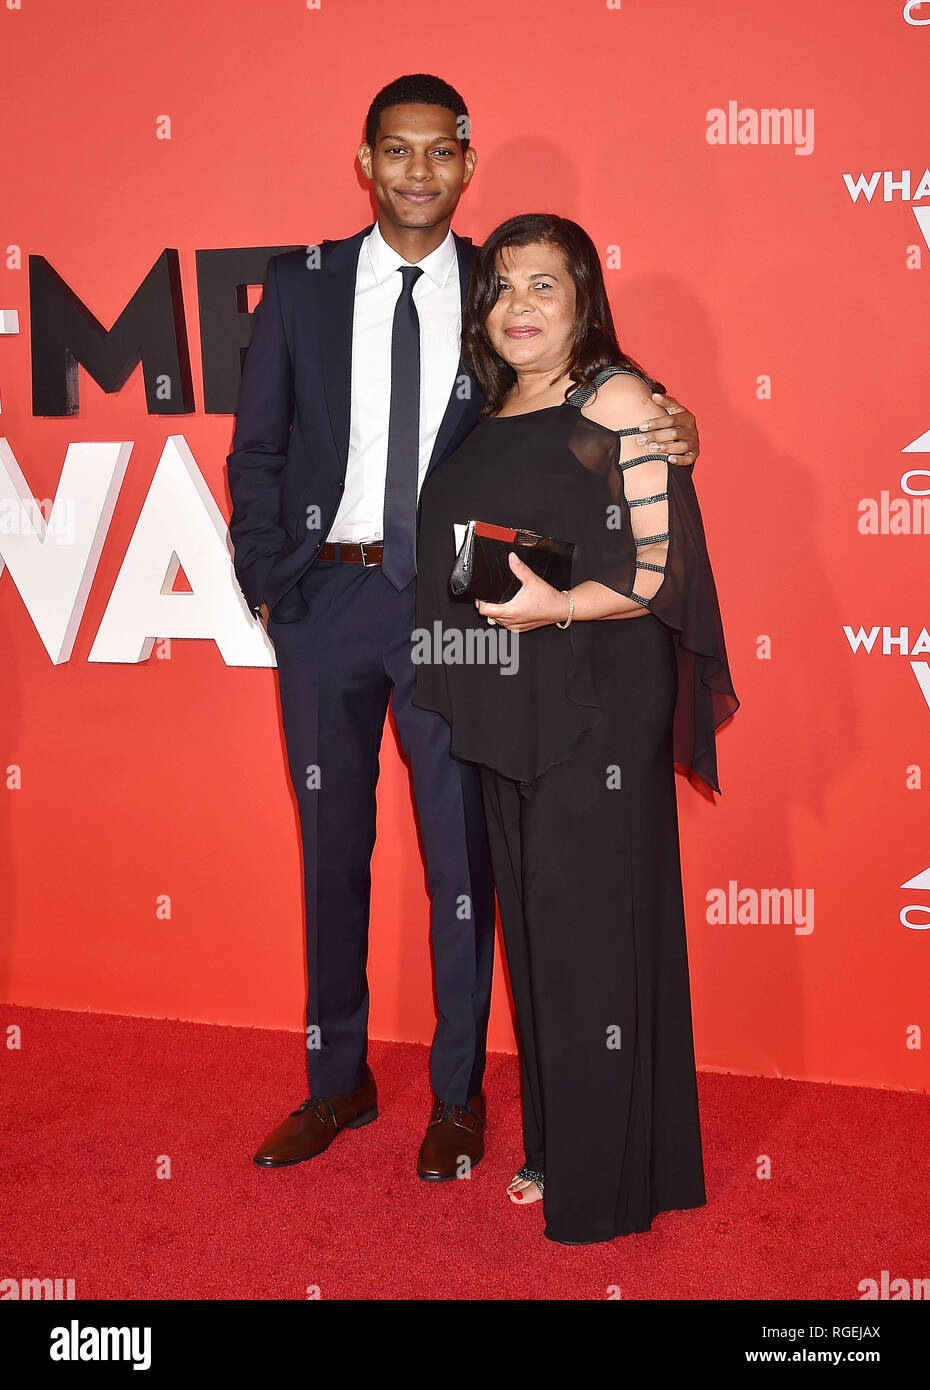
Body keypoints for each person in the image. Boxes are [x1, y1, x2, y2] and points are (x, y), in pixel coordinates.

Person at [226, 75, 703, 1182]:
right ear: (366, 162)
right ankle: (334, 1080)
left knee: (464, 858)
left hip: (460, 610)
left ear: (467, 164)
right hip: (326, 604)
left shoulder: (501, 283)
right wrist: (265, 579)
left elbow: (581, 383)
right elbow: (256, 446)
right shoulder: (301, 286)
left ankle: (457, 1096)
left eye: (440, 152)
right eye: (396, 152)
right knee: (330, 854)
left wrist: (667, 415)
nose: (417, 173)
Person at [414, 213, 739, 1242]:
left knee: (591, 930)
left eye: (543, 287)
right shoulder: (490, 404)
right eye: (503, 287)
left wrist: (551, 607)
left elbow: (658, 573)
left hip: (596, 697)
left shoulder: (621, 398)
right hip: (508, 692)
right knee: (542, 934)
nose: (518, 306)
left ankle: (607, 1178)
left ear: (585, 300)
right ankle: (556, 1143)